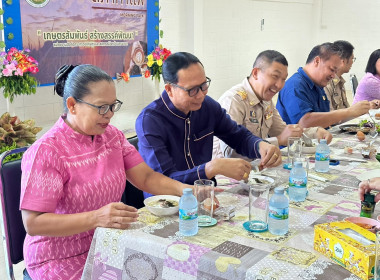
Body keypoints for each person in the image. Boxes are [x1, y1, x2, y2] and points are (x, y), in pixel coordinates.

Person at [20, 64, 191, 280]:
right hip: (58, 259)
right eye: (102, 107)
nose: (109, 115)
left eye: (113, 106)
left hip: (108, 245)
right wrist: (96, 218)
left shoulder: (113, 137)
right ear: (72, 105)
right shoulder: (48, 151)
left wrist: (187, 191)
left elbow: (146, 178)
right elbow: (34, 223)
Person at [135, 52, 281, 197]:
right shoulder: (150, 121)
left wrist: (261, 146)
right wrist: (211, 168)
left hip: (207, 197)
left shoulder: (207, 106)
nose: (200, 95)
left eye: (204, 85)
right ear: (169, 89)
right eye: (192, 90)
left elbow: (237, 136)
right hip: (167, 205)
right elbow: (164, 181)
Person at [215, 50, 332, 159]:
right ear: (255, 73)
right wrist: (278, 140)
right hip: (225, 176)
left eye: (283, 79)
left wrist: (315, 132)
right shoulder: (234, 100)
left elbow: (283, 131)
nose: (279, 85)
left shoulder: (266, 99)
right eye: (275, 77)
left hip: (256, 166)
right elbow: (230, 153)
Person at [276, 42, 371, 129]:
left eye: (336, 71)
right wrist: (348, 111)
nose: (333, 75)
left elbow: (327, 118)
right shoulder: (295, 86)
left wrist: (358, 111)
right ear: (317, 61)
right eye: (332, 69)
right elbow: (305, 123)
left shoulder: (318, 85)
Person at [323, 40, 354, 110]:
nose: (352, 62)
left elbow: (346, 109)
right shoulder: (326, 83)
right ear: (343, 61)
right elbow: (328, 115)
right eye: (352, 59)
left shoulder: (340, 81)